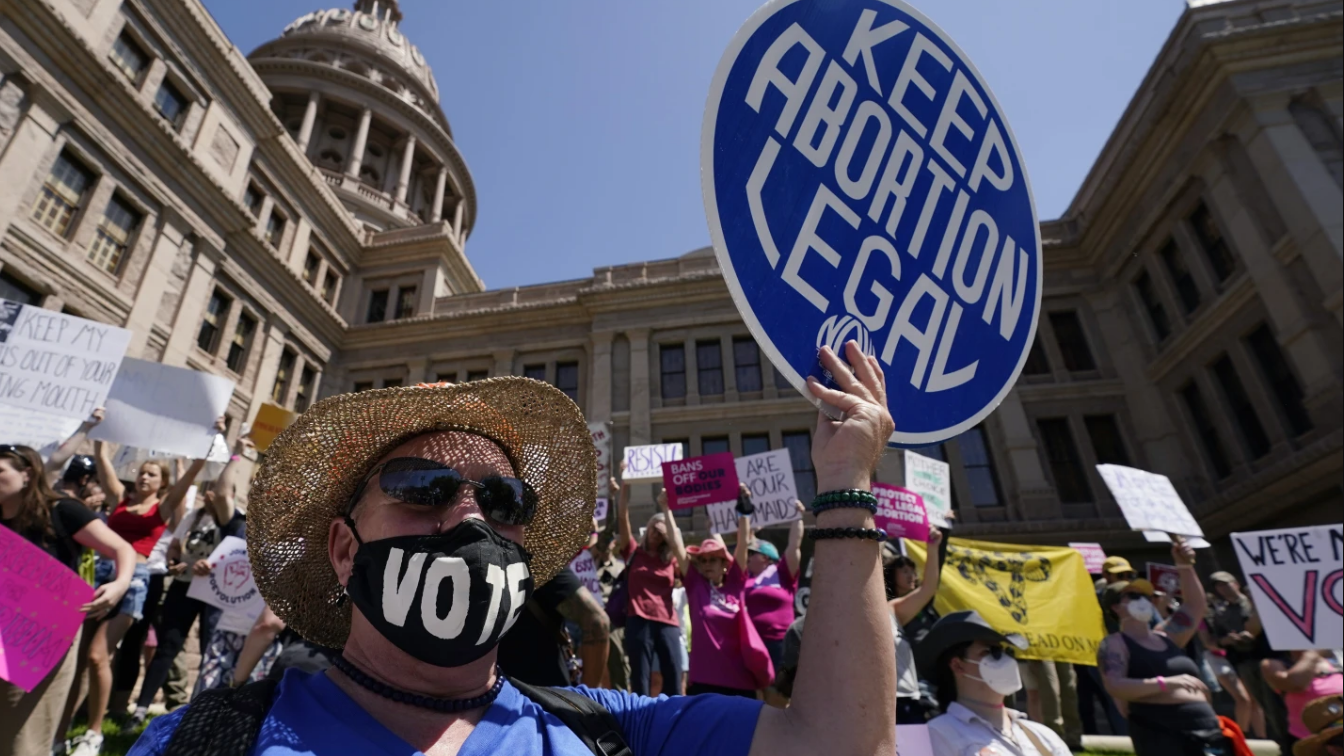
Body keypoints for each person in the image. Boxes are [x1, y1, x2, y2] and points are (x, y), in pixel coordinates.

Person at [128, 340, 899, 756]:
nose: (467, 518)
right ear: (340, 547)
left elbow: (845, 744)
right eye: (423, 487)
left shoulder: (612, 733)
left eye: (502, 501)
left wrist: (844, 482)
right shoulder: (204, 743)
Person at [73, 426, 218, 755]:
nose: (143, 477)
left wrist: (208, 442)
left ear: (162, 483)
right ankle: (63, 727)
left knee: (98, 655)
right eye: (141, 472)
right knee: (80, 655)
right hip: (99, 575)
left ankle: (95, 733)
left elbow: (191, 474)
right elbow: (102, 459)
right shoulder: (119, 502)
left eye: (151, 473)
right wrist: (98, 431)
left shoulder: (162, 510)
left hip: (134, 578)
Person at [0, 445, 136, 756]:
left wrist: (119, 584)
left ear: (27, 474)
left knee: (23, 733)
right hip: (3, 628)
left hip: (42, 637)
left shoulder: (62, 510)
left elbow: (122, 549)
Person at [1096, 538, 1228, 755]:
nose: (1144, 600)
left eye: (1145, 596)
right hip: (1161, 732)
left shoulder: (1168, 636)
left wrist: (1184, 565)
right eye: (1134, 596)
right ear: (1115, 606)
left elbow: (1194, 605)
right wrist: (1167, 684)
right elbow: (1115, 684)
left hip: (1205, 729)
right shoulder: (1115, 644)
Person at [920, 610, 1071, 756]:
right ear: (958, 666)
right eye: (991, 652)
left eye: (1006, 652)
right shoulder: (937, 734)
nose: (1005, 660)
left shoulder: (1043, 735)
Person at [614, 461, 687, 696]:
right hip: (638, 620)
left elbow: (683, 556)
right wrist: (625, 483)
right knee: (640, 678)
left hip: (667, 621)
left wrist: (668, 518)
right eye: (654, 529)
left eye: (661, 531)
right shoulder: (634, 551)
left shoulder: (671, 559)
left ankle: (676, 719)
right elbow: (623, 516)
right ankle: (640, 720)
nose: (656, 534)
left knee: (674, 675)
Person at [682, 505, 760, 699]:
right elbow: (676, 545)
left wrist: (743, 512)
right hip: (704, 681)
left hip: (741, 681)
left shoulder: (735, 584)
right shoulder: (696, 587)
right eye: (703, 560)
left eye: (713, 560)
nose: (707, 564)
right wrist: (666, 508)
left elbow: (742, 544)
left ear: (725, 565)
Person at [497, 565, 610, 687]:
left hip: (544, 694)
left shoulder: (538, 563)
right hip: (504, 690)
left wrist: (587, 695)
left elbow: (598, 622)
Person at [740, 500, 803, 704]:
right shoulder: (746, 578)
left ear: (766, 558)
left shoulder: (782, 573)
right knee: (756, 696)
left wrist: (797, 517)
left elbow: (794, 545)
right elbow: (743, 541)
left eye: (753, 554)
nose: (747, 557)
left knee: (779, 695)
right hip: (752, 643)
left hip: (779, 643)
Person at [887, 528, 943, 725]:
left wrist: (933, 547)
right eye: (904, 571)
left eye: (913, 571)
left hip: (910, 699)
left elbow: (928, 587)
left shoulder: (894, 609)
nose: (912, 576)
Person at [1263, 650, 1343, 746]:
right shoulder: (1273, 664)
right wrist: (1312, 654)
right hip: (1305, 740)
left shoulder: (1336, 659)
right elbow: (1296, 685)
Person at [589, 528, 629, 690]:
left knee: (618, 663)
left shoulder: (621, 567)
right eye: (601, 541)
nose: (605, 544)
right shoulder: (589, 566)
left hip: (614, 623)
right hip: (592, 620)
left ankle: (622, 695)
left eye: (608, 540)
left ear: (614, 543)